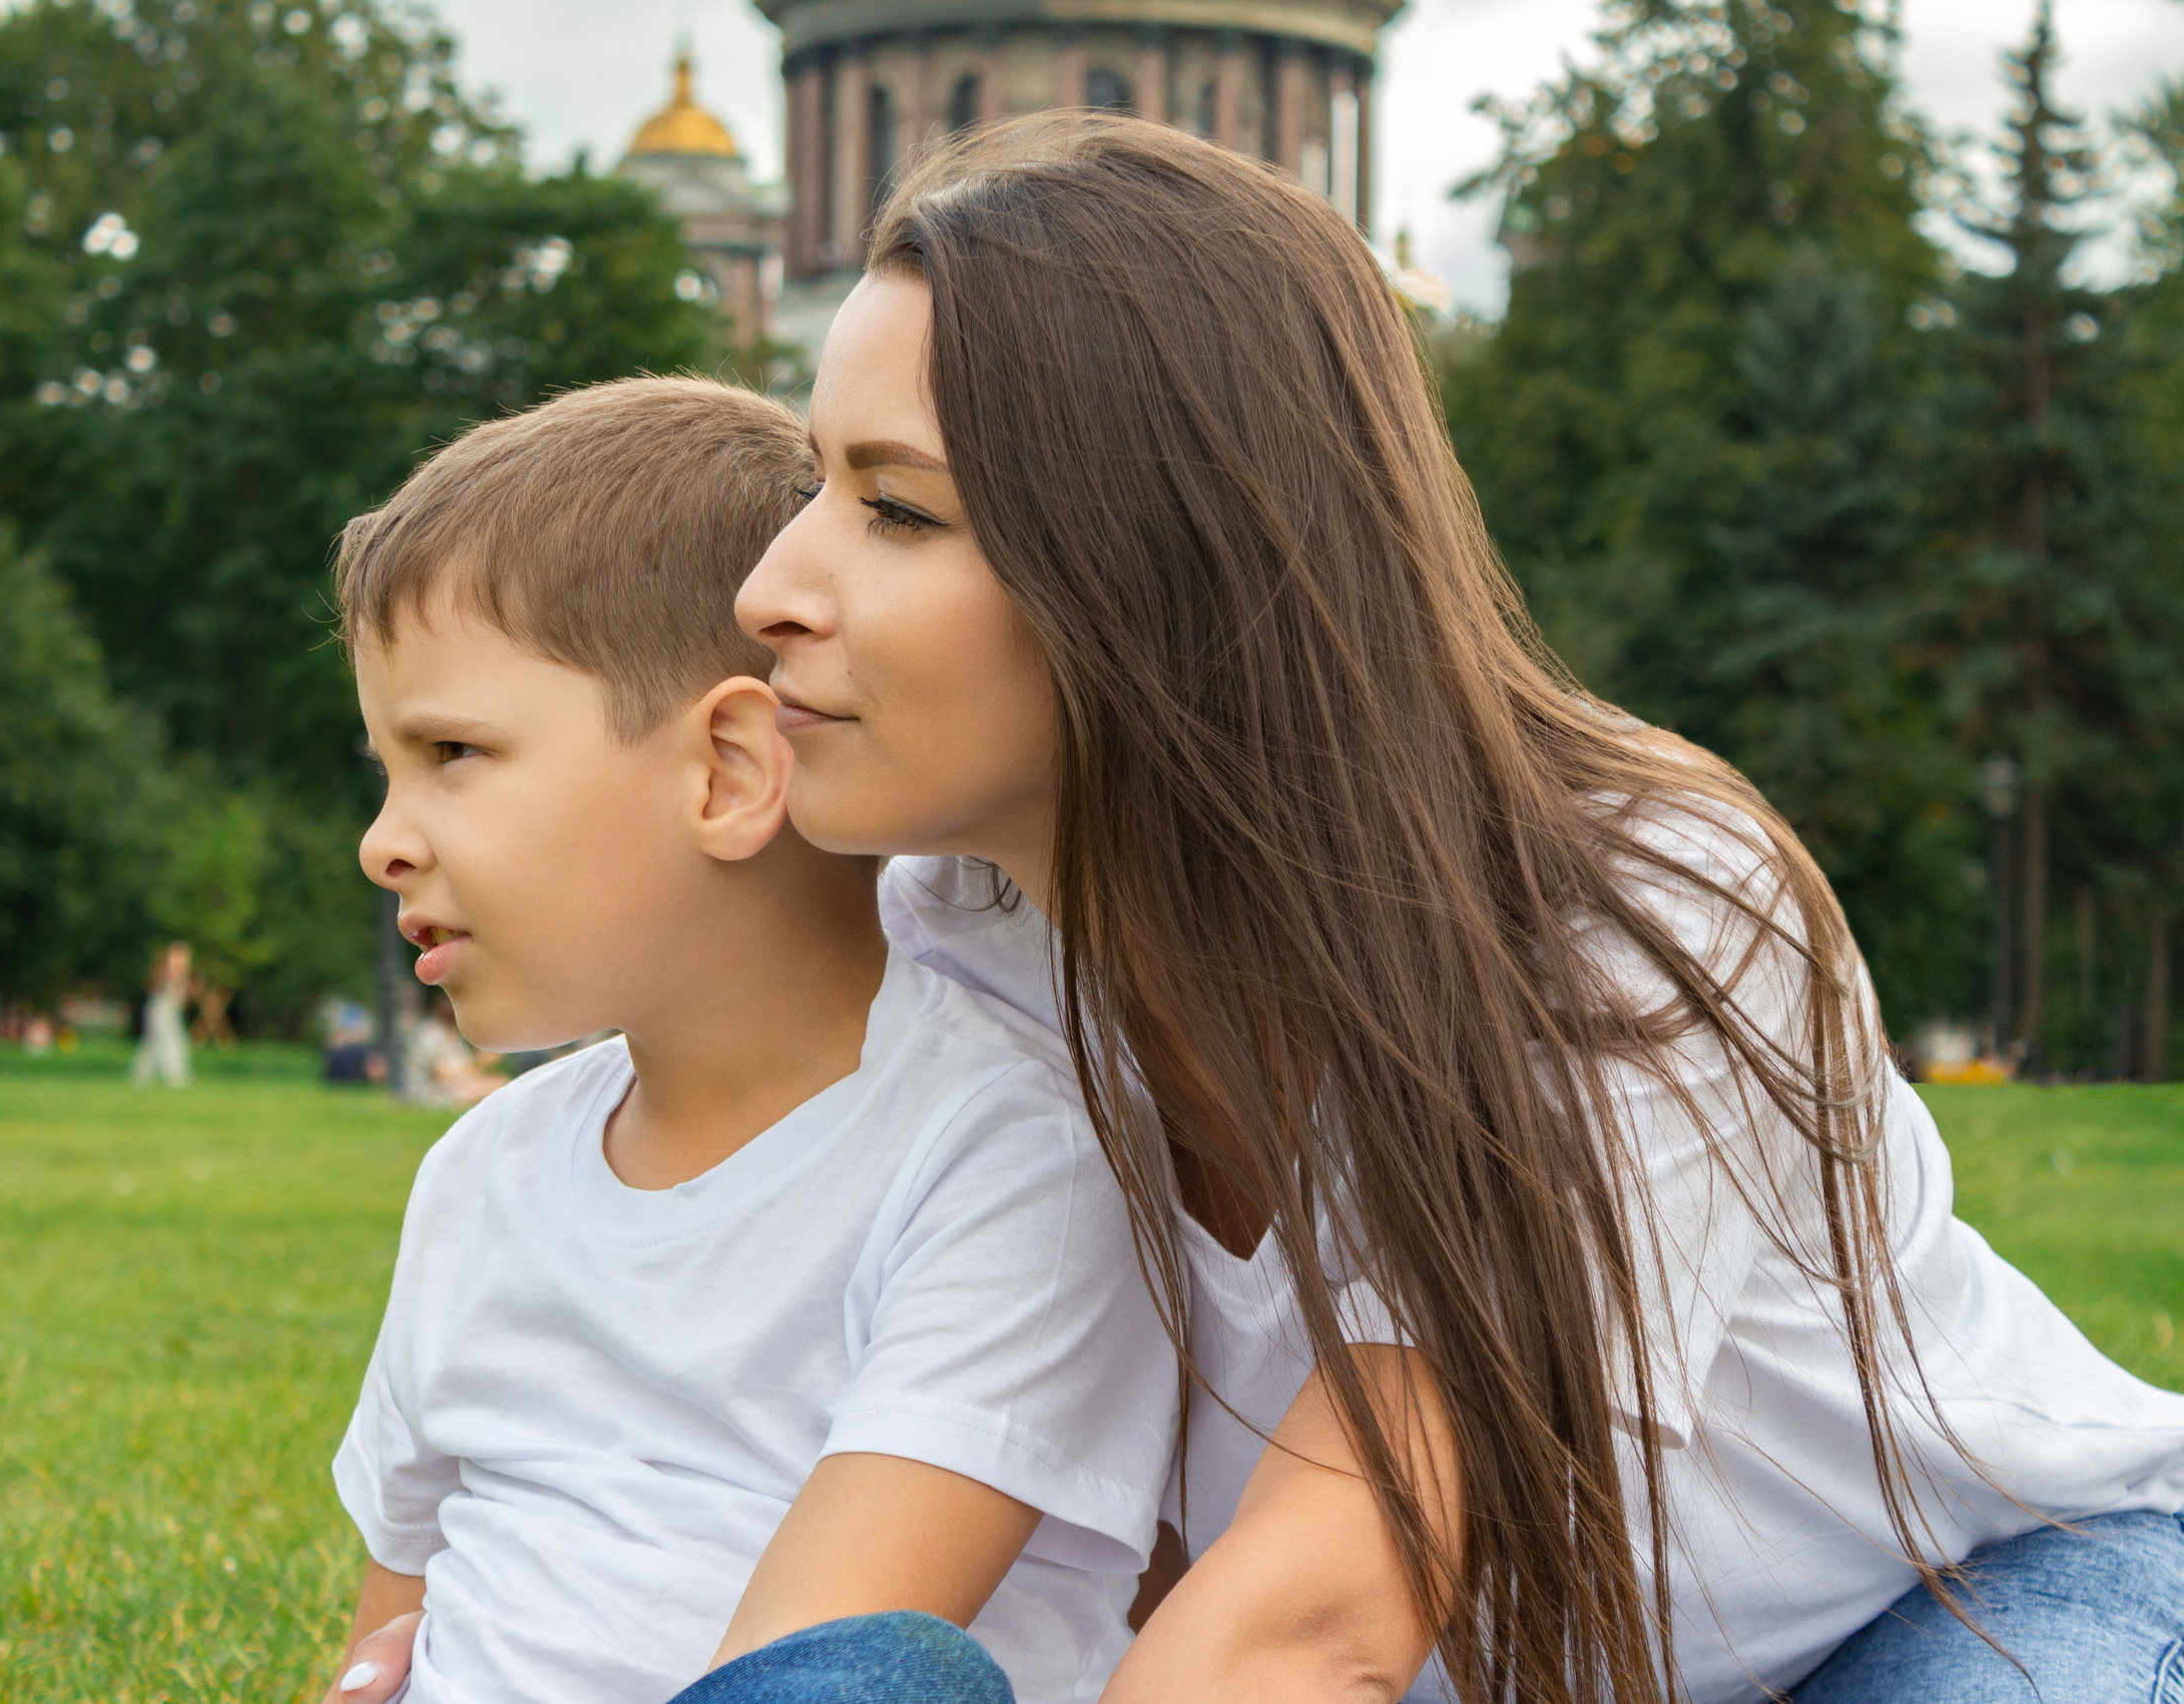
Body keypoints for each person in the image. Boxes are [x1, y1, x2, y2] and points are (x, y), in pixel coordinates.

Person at [723, 115, 2184, 1703]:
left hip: (1963, 1594)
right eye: (816, 482)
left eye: (899, 509)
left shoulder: (1635, 911)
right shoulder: (956, 930)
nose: (770, 586)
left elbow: (1319, 1614)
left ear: (1160, 559)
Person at [320, 376, 1176, 1704]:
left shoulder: (1009, 1160)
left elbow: (828, 1657)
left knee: (881, 1681)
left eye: (451, 752)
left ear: (725, 768)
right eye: (383, 765)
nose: (385, 836)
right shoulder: (481, 1174)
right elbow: (389, 1637)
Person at [130, 940, 192, 1088]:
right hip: (160, 1008)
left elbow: (182, 998)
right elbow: (154, 987)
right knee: (171, 1041)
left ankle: (141, 1077)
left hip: (170, 1009)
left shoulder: (180, 972)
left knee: (153, 1044)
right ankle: (175, 1076)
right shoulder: (165, 970)